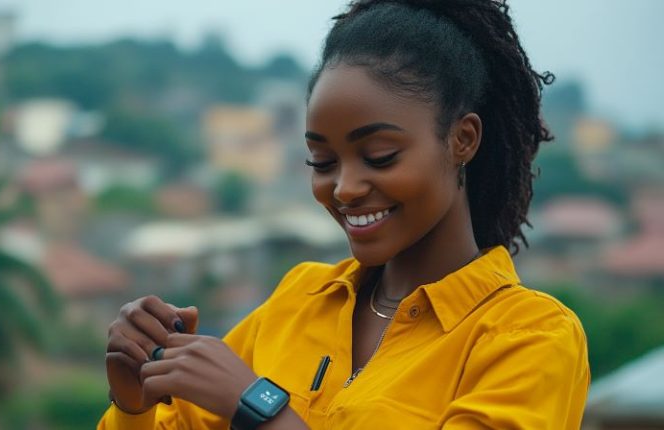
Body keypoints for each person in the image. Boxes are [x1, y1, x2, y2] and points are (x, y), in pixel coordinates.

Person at [97, 0, 590, 428]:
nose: (345, 188)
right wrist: (134, 403)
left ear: (462, 139)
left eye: (379, 156)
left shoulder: (528, 338)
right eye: (323, 162)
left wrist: (255, 406)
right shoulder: (297, 302)